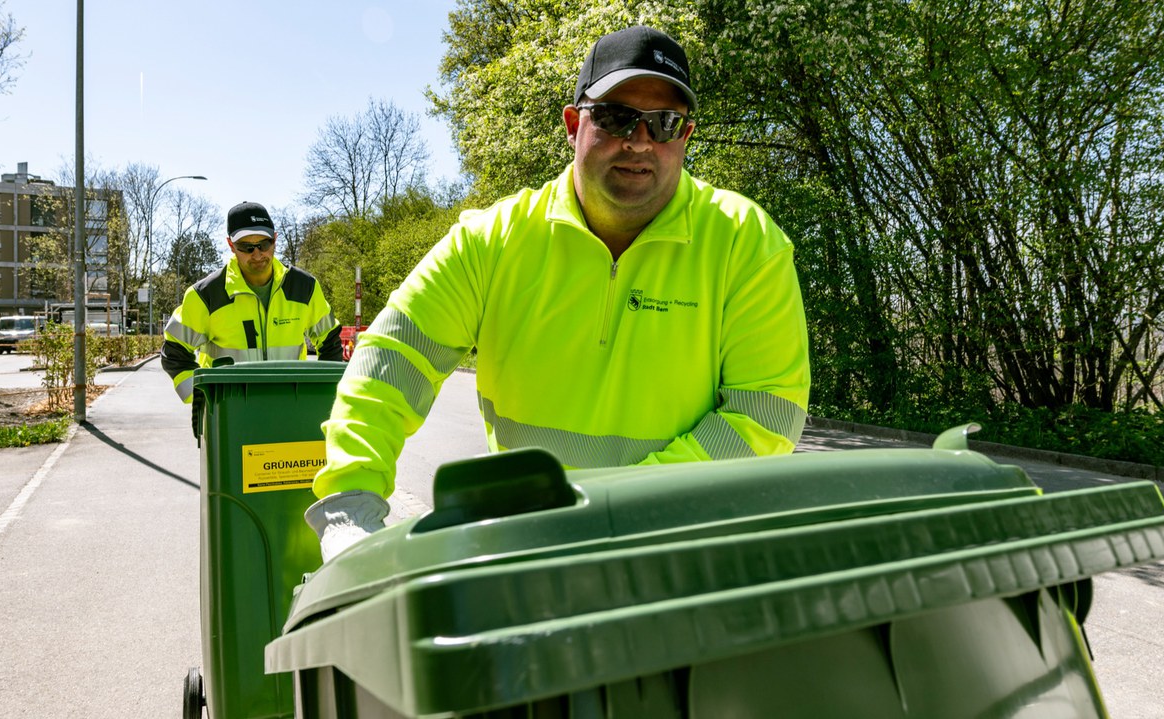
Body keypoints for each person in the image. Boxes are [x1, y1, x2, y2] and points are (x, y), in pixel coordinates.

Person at [305, 26, 811, 561]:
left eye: (664, 123)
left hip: (684, 552)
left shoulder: (746, 243)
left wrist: (616, 513)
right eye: (617, 117)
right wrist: (349, 504)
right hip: (528, 550)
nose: (640, 141)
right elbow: (392, 361)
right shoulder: (494, 241)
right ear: (574, 124)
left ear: (685, 135)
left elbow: (766, 414)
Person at [161, 201, 344, 434]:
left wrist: (323, 397)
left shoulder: (304, 288)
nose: (257, 253)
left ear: (275, 240)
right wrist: (201, 397)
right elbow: (174, 351)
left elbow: (330, 341)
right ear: (230, 245)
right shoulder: (206, 295)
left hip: (293, 414)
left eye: (264, 244)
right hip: (231, 418)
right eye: (246, 246)